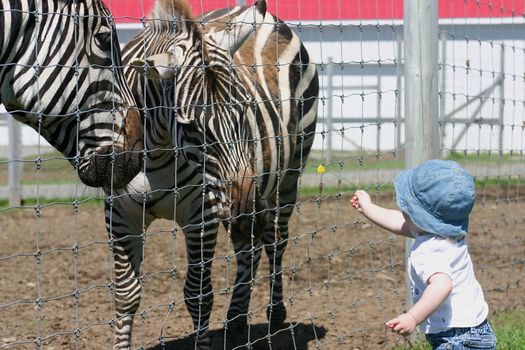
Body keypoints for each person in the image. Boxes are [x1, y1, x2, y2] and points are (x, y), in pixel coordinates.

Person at [351, 159, 497, 350]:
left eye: (406, 210)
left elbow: (442, 285)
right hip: (477, 328)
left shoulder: (429, 250)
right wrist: (368, 208)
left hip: (455, 339)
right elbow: (402, 222)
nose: (403, 212)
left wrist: (412, 317)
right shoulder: (447, 232)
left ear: (417, 217)